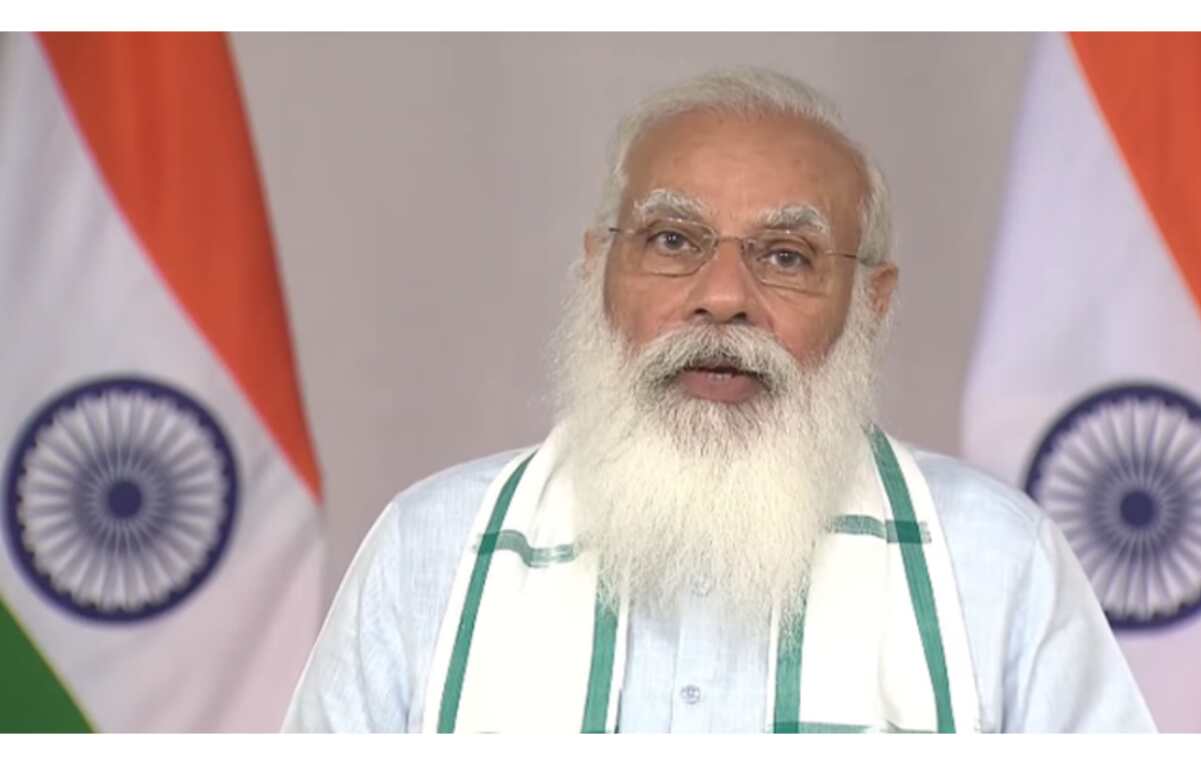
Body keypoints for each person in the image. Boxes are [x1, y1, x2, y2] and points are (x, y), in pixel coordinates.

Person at [283, 67, 1155, 734]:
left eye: (785, 255)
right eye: (672, 240)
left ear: (872, 301)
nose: (723, 297)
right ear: (597, 269)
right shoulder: (430, 551)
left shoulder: (997, 563)